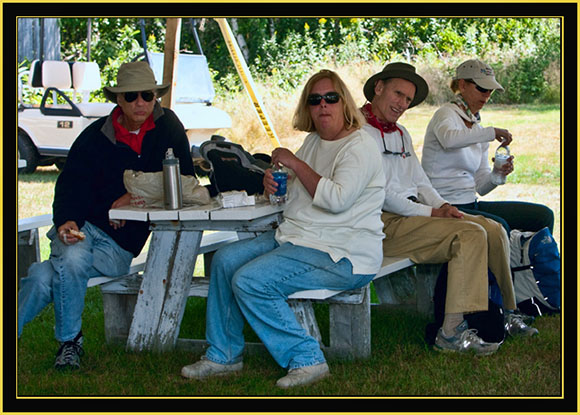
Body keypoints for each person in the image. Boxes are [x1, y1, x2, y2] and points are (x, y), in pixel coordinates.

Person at [180, 70, 386, 388]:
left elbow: (336, 199)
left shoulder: (360, 146)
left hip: (344, 253)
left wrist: (296, 164)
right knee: (225, 260)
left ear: (344, 102)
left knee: (250, 281)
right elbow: (295, 190)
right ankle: (223, 354)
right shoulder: (314, 141)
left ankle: (307, 359)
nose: (323, 106)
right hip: (298, 239)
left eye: (330, 98)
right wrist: (276, 184)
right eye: (314, 100)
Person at [18, 61, 195, 370]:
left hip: (120, 246)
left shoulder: (169, 128)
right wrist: (68, 222)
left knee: (44, 275)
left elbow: (185, 181)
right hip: (85, 226)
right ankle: (70, 344)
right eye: (131, 96)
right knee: (71, 259)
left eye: (147, 95)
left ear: (155, 97)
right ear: (118, 100)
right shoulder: (94, 138)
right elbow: (69, 187)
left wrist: (133, 197)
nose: (140, 102)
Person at [360, 62, 538, 356]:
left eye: (408, 99)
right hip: (380, 223)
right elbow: (382, 196)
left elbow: (419, 180)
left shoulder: (400, 132)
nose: (402, 104)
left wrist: (443, 204)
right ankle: (450, 333)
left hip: (412, 213)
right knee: (471, 234)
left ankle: (508, 311)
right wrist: (434, 212)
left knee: (492, 229)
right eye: (398, 94)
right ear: (378, 88)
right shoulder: (360, 131)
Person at [421, 59, 554, 234]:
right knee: (499, 228)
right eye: (482, 89)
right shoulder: (446, 114)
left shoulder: (478, 129)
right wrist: (491, 133)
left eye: (490, 90)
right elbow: (449, 140)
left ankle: (528, 258)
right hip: (442, 206)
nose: (487, 95)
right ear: (462, 85)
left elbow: (481, 187)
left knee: (543, 216)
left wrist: (498, 173)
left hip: (470, 203)